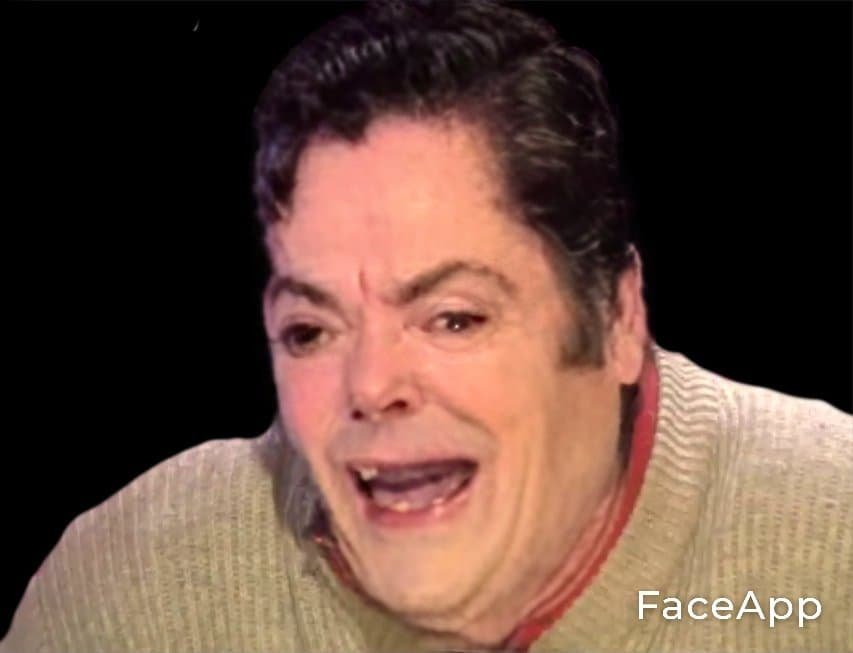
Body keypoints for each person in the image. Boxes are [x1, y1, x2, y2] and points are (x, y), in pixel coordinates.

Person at [3, 1, 850, 651]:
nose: (371, 385)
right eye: (311, 331)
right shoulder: (134, 592)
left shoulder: (831, 544)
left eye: (452, 317)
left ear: (617, 316)